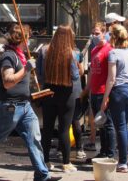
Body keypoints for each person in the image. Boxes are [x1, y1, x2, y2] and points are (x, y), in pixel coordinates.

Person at [0, 24, 61, 181]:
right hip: (11, 107)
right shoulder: (9, 56)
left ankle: (42, 174)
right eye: (28, 36)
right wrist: (26, 69)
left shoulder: (20, 55)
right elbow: (8, 81)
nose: (30, 40)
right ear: (22, 38)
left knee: (34, 138)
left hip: (25, 106)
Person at [37, 24, 81, 173]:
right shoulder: (73, 54)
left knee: (47, 128)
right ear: (69, 37)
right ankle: (66, 163)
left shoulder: (44, 51)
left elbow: (40, 74)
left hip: (48, 92)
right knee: (64, 128)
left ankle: (46, 161)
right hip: (66, 94)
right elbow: (75, 76)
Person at [100, 24, 128, 174]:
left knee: (120, 127)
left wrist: (105, 98)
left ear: (114, 37)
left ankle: (123, 162)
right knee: (124, 126)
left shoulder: (114, 53)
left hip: (119, 91)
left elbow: (111, 78)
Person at [82, 22, 116, 159]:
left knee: (108, 124)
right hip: (94, 92)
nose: (94, 36)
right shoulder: (94, 50)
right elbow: (91, 72)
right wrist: (87, 89)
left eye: (97, 33)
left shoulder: (109, 50)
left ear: (104, 33)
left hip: (103, 91)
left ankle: (110, 153)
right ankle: (103, 151)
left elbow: (111, 75)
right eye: (93, 33)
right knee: (99, 124)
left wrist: (107, 95)